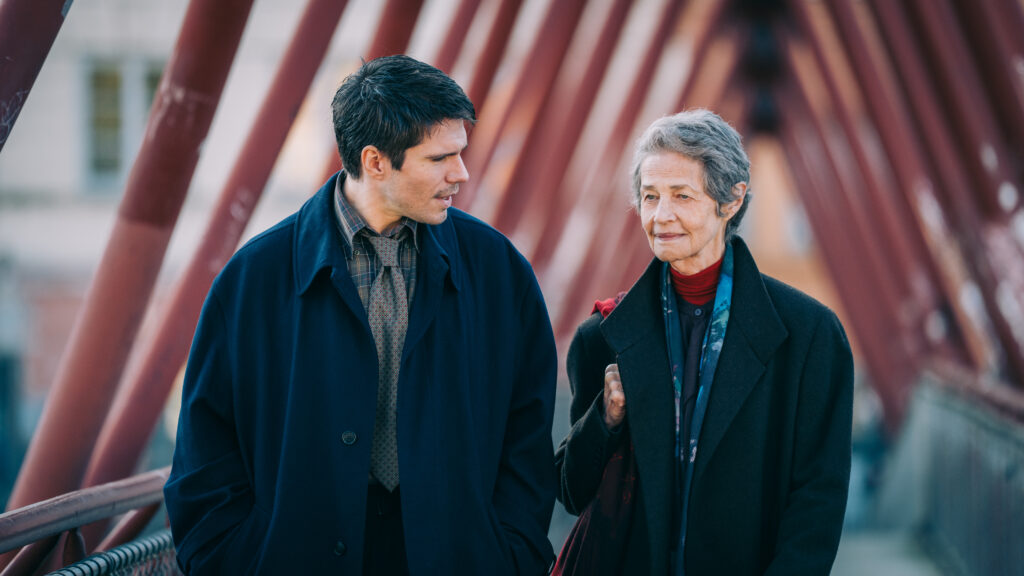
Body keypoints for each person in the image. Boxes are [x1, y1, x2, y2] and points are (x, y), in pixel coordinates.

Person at [165, 55, 558, 575]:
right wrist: (231, 559)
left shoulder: (500, 272)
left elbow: (527, 433)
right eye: (440, 158)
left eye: (460, 154)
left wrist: (511, 552)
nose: (460, 174)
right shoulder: (253, 280)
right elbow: (205, 450)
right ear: (375, 162)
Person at [555, 109, 853, 575]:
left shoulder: (810, 336)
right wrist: (605, 419)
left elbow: (819, 498)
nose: (661, 215)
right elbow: (572, 493)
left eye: (682, 196)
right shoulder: (603, 336)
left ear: (731, 201)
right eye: (650, 196)